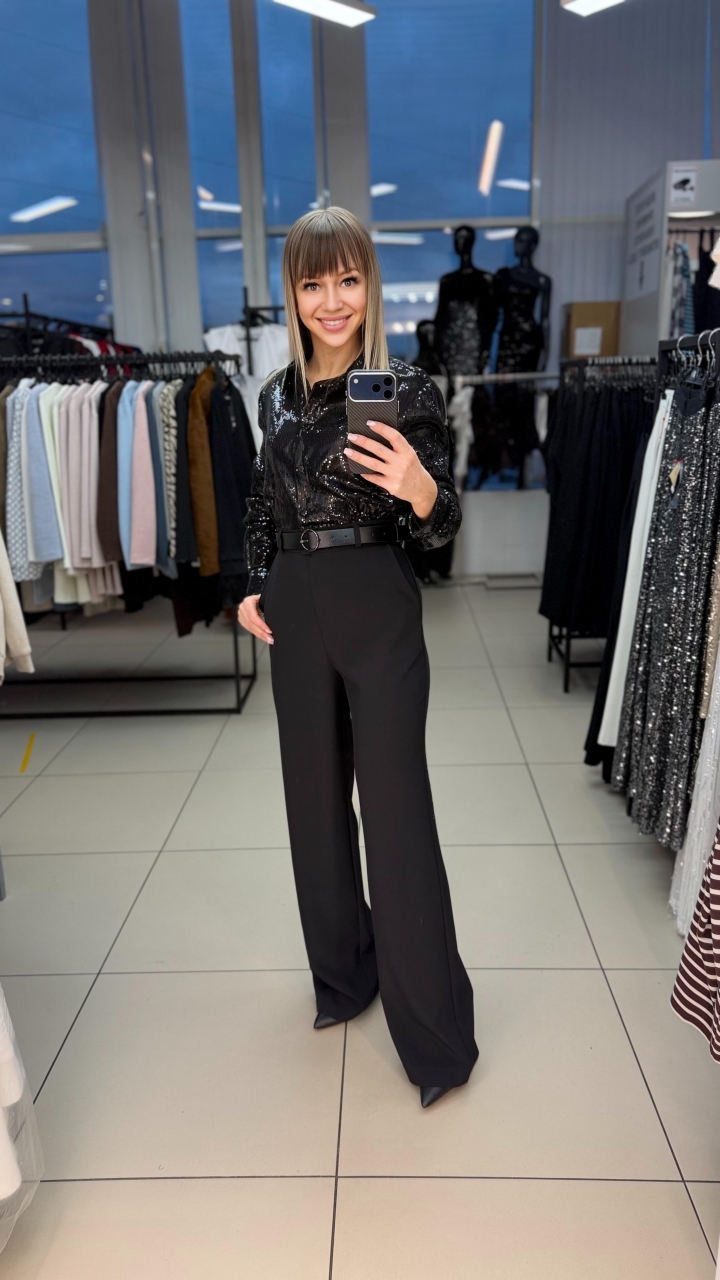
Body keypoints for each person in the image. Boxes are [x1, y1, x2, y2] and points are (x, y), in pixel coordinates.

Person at [239, 207, 478, 1108]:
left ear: (369, 285)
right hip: (295, 604)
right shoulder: (273, 395)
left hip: (377, 598)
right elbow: (260, 504)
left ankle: (436, 1040)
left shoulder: (407, 388)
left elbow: (442, 528)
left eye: (347, 279)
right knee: (312, 804)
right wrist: (251, 583)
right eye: (312, 283)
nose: (331, 301)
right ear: (293, 293)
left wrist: (419, 491)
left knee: (396, 810)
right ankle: (343, 978)